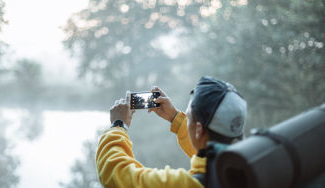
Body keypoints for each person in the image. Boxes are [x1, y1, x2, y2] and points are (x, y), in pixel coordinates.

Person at [95, 76, 247, 187]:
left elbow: (117, 175)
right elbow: (208, 148)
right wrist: (175, 118)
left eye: (188, 117)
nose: (186, 121)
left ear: (199, 130)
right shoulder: (250, 166)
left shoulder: (190, 184)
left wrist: (118, 125)